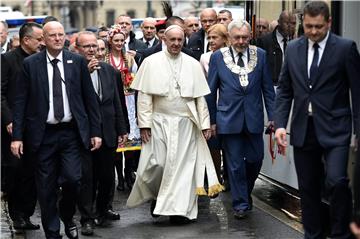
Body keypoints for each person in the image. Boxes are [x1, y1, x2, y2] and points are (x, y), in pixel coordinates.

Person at [274, 1, 360, 238]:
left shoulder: (345, 48)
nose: (313, 31)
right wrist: (280, 124)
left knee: (337, 181)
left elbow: (357, 91)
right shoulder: (293, 49)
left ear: (329, 23)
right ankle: (312, 235)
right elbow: (284, 89)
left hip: (336, 129)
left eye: (318, 27)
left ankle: (341, 233)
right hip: (304, 129)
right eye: (309, 26)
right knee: (308, 188)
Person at [11, 21, 102, 239]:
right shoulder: (31, 64)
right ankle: (52, 232)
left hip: (71, 133)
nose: (58, 38)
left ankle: (67, 214)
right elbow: (20, 102)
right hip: (42, 135)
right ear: (44, 39)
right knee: (45, 187)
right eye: (53, 35)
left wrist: (95, 131)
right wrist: (17, 137)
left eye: (61, 34)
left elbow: (89, 99)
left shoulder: (77, 62)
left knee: (73, 179)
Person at [127, 25, 223, 223]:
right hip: (159, 122)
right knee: (158, 165)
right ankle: (157, 198)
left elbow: (199, 98)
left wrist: (205, 124)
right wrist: (144, 124)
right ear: (165, 40)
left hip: (186, 124)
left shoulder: (192, 64)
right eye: (173, 40)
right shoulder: (151, 62)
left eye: (180, 40)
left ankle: (180, 211)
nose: (177, 44)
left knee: (184, 169)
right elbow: (144, 96)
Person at [206, 20, 275, 219]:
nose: (241, 41)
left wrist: (273, 117)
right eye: (237, 37)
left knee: (255, 160)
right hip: (228, 119)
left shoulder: (260, 55)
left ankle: (244, 193)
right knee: (235, 164)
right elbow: (211, 92)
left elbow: (268, 90)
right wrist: (211, 120)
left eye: (245, 37)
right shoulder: (218, 57)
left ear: (250, 36)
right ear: (229, 38)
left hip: (253, 118)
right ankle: (241, 204)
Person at [75, 31, 128, 234]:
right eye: (87, 47)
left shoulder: (109, 71)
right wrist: (85, 74)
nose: (92, 51)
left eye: (95, 47)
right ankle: (86, 218)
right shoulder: (74, 71)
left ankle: (103, 209)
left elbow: (117, 102)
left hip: (108, 132)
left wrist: (122, 129)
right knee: (88, 178)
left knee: (107, 176)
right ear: (78, 49)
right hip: (85, 134)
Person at [1, 22, 43, 231]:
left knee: (32, 171)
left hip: (36, 125)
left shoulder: (40, 60)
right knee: (16, 171)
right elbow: (0, 93)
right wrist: (9, 120)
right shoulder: (7, 60)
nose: (42, 43)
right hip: (13, 127)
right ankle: (16, 213)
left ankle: (26, 214)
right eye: (39, 39)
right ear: (26, 40)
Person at [105, 25, 139, 191]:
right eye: (116, 40)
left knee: (130, 138)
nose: (119, 43)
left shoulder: (130, 59)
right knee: (117, 139)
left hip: (129, 99)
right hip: (114, 100)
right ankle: (119, 175)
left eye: (122, 40)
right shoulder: (105, 59)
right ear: (110, 41)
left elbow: (138, 79)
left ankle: (128, 172)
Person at [199, 23, 229, 184]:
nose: (210, 40)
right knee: (214, 144)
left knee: (229, 146)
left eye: (214, 37)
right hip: (211, 105)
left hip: (228, 105)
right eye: (208, 37)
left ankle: (229, 177)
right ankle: (215, 178)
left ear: (225, 39)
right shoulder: (205, 57)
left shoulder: (232, 55)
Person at [257, 11, 296, 86]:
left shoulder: (296, 43)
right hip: (272, 85)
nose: (290, 26)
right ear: (279, 22)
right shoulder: (265, 41)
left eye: (293, 23)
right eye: (287, 23)